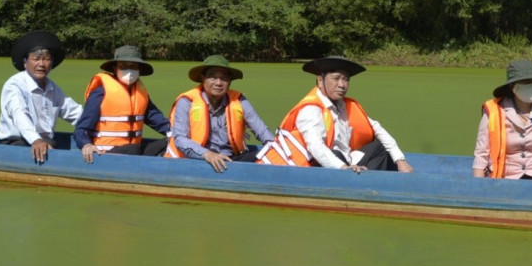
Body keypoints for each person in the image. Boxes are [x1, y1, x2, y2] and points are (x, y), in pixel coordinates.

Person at [258, 56, 413, 173]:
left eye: (346, 80)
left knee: (379, 148)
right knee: (335, 153)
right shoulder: (311, 110)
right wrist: (343, 168)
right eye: (336, 79)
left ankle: (367, 184)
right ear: (320, 81)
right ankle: (363, 186)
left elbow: (378, 129)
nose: (342, 85)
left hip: (347, 160)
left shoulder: (345, 105)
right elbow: (316, 147)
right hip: (321, 166)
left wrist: (400, 160)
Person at [165, 55, 275, 172]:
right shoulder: (187, 101)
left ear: (230, 81)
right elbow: (180, 139)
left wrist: (275, 148)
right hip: (196, 160)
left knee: (266, 154)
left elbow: (261, 130)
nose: (218, 83)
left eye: (224, 78)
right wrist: (207, 154)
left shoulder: (239, 100)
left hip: (231, 159)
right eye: (212, 77)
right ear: (203, 79)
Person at [0, 30, 83, 163]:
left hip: (45, 142)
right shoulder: (14, 85)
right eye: (35, 59)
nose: (41, 64)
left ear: (51, 62)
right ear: (25, 62)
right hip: (15, 143)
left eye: (46, 59)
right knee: (49, 149)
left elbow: (73, 111)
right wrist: (35, 140)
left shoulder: (52, 87)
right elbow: (19, 114)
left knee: (50, 145)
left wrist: (98, 126)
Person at [75, 44, 170, 160]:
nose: (129, 70)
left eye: (134, 67)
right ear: (115, 68)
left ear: (139, 69)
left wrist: (177, 134)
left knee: (170, 142)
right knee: (132, 149)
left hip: (134, 151)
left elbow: (158, 120)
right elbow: (82, 129)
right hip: (107, 154)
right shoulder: (100, 92)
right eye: (123, 66)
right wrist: (86, 144)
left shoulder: (140, 93)